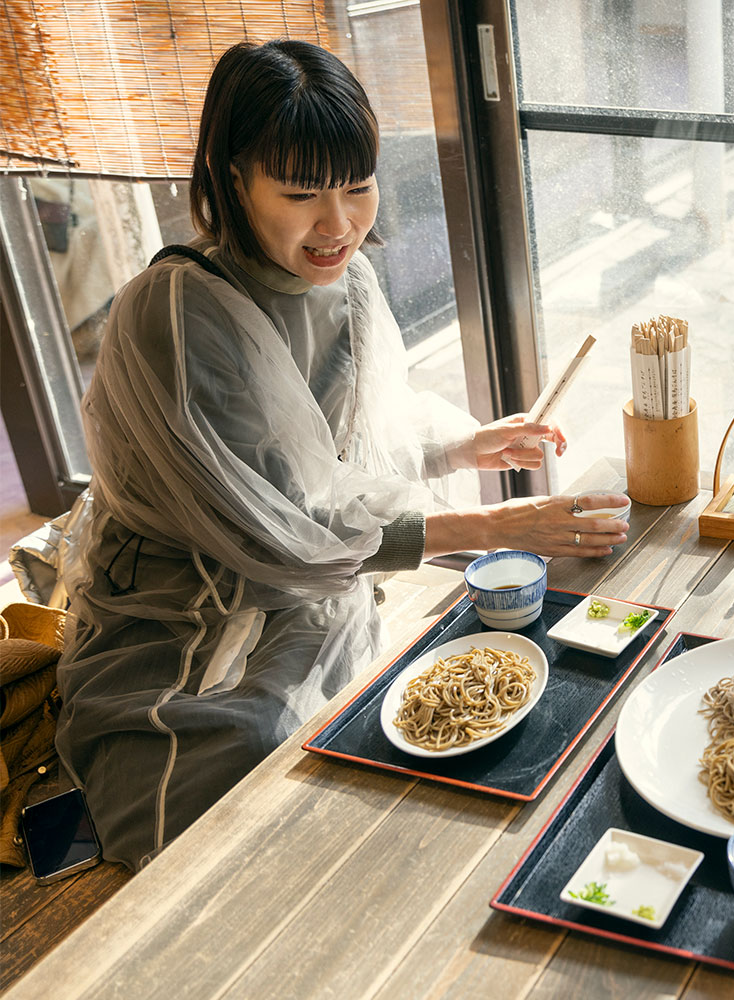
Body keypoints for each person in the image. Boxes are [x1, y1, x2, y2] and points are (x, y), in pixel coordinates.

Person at [53, 39, 628, 869]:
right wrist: (497, 524)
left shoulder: (345, 280)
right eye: (299, 193)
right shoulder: (175, 313)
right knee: (256, 755)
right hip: (192, 610)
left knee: (399, 734)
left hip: (313, 588)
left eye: (358, 187)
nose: (339, 225)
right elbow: (280, 526)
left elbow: (357, 441)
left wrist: (469, 443)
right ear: (232, 175)